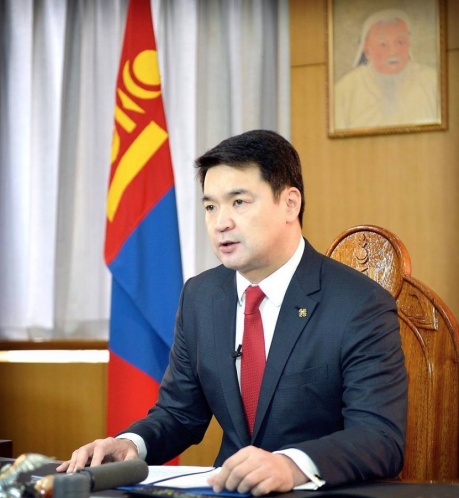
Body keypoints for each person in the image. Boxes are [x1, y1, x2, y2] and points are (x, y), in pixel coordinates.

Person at [57, 130, 407, 494]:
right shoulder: (201, 296)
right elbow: (180, 414)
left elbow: (380, 437)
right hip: (227, 490)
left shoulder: (359, 304)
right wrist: (131, 444)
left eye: (238, 202)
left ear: (290, 204)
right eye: (211, 207)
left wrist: (291, 465)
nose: (220, 222)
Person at [334, 9, 438, 130]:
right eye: (383, 44)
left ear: (408, 43)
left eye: (400, 42)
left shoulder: (431, 81)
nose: (393, 52)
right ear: (367, 51)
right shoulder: (344, 90)